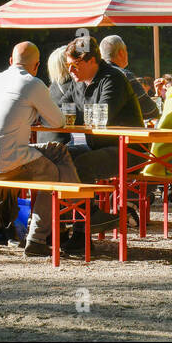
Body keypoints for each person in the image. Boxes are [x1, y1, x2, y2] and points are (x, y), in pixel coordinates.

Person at [0, 41, 81, 257]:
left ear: (11, 61)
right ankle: (41, 236)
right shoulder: (33, 83)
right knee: (51, 172)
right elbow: (58, 121)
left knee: (57, 150)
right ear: (36, 65)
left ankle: (73, 211)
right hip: (5, 160)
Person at [59, 38, 136, 232]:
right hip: (97, 145)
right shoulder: (77, 83)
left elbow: (104, 115)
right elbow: (61, 109)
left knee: (82, 164)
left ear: (92, 60)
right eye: (68, 65)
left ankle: (86, 225)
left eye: (74, 65)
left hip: (130, 149)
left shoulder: (113, 78)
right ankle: (60, 226)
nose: (70, 70)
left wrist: (73, 117)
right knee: (59, 157)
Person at [100, 35, 156, 124]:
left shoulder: (96, 75)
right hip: (125, 134)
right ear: (121, 53)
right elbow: (150, 110)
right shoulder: (124, 75)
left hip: (98, 133)